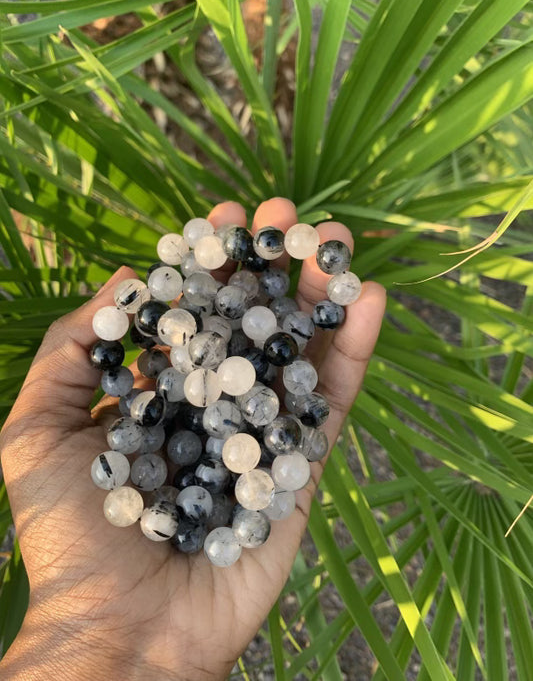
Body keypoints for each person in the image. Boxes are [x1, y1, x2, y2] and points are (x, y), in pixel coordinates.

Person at [0, 199, 386, 680]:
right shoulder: (166, 386)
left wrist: (88, 638)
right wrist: (92, 635)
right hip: (182, 430)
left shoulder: (260, 417)